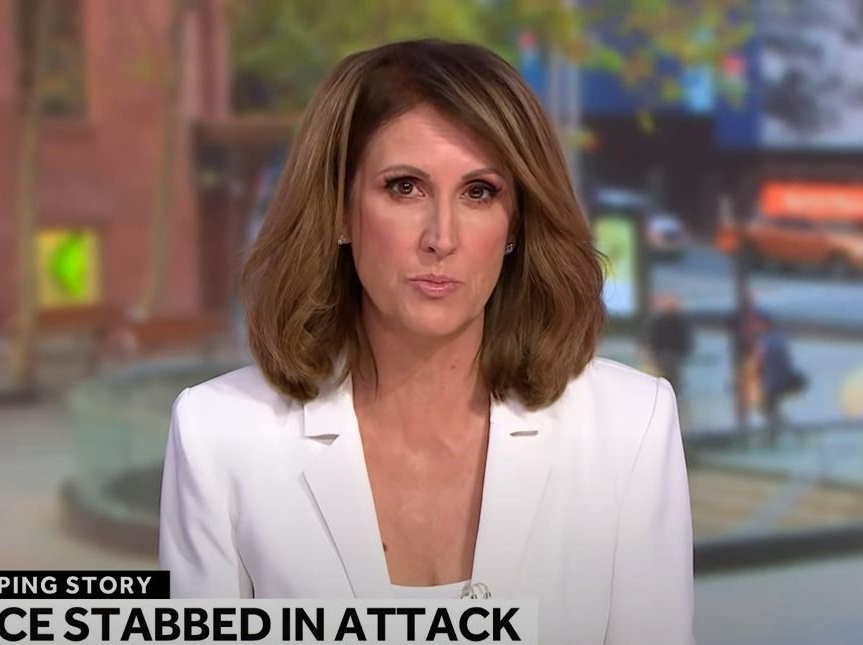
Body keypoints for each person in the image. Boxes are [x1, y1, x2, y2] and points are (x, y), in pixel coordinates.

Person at [159, 40, 694, 644]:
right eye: (404, 187)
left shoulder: (631, 428)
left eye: (479, 192)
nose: (441, 237)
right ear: (339, 210)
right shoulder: (218, 435)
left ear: (516, 224)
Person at [753, 312, 807, 446]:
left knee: (768, 409)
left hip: (775, 382)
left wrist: (758, 374)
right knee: (771, 410)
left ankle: (778, 436)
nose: (757, 327)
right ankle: (784, 435)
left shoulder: (770, 341)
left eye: (759, 325)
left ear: (766, 324)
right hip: (777, 380)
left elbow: (762, 362)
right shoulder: (778, 339)